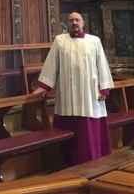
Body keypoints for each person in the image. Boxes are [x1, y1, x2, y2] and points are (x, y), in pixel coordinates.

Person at [32, 12, 114, 164]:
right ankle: (67, 162)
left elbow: (102, 65)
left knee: (88, 128)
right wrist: (44, 86)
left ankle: (93, 159)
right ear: (67, 24)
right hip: (67, 94)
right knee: (68, 129)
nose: (74, 22)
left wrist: (104, 88)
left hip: (89, 93)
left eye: (77, 20)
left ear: (83, 23)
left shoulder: (94, 41)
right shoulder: (60, 41)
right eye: (71, 20)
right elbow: (51, 65)